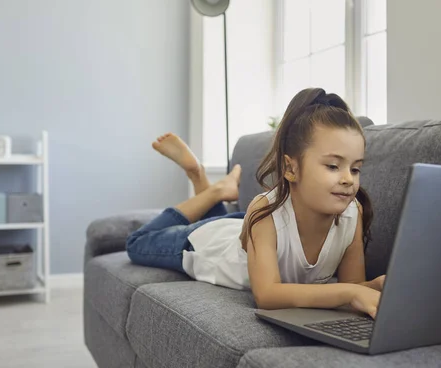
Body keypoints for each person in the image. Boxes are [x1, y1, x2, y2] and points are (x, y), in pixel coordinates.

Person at [127, 88, 386, 319]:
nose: (348, 179)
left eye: (355, 169)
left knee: (233, 223)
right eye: (333, 166)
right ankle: (208, 184)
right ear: (290, 168)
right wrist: (351, 292)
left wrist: (373, 287)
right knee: (137, 243)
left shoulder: (352, 213)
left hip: (244, 229)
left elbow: (352, 286)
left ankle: (217, 193)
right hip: (207, 245)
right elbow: (267, 295)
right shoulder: (265, 211)